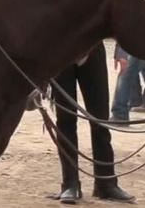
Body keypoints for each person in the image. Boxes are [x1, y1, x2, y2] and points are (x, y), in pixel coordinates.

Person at [50, 45, 135, 204]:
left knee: (100, 120)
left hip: (92, 48)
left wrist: (121, 51)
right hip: (60, 49)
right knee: (65, 119)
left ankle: (106, 183)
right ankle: (70, 184)